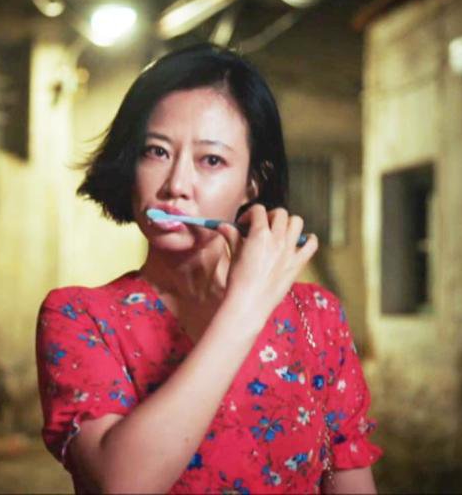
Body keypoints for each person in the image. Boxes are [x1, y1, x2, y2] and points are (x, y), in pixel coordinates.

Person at [36, 43, 381, 494]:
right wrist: (246, 306)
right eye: (156, 151)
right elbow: (121, 484)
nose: (176, 185)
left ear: (252, 183)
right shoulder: (80, 318)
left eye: (211, 160)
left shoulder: (317, 319)